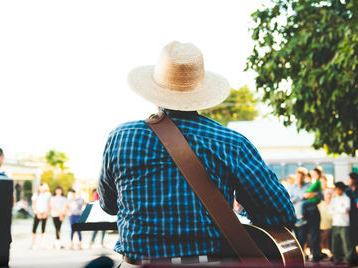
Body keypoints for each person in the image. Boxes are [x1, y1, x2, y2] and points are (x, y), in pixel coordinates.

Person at [97, 41, 296, 267]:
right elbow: (279, 213)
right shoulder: (231, 143)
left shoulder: (120, 137)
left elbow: (108, 204)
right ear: (201, 92)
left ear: (155, 90)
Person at [288, 166, 322, 262]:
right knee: (300, 239)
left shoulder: (310, 185)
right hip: (300, 217)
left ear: (304, 177)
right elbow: (290, 200)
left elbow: (319, 197)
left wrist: (314, 195)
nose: (300, 178)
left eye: (302, 177)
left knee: (314, 236)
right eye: (298, 176)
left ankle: (316, 257)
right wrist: (302, 196)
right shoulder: (291, 188)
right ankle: (300, 257)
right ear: (295, 177)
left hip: (312, 214)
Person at [328, 182, 352, 265]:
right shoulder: (334, 199)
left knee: (346, 243)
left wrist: (336, 210)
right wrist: (339, 209)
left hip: (344, 224)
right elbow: (330, 210)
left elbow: (346, 210)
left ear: (342, 190)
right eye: (336, 189)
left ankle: (348, 259)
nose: (337, 191)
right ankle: (336, 258)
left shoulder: (346, 199)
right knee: (335, 242)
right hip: (335, 223)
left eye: (338, 189)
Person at [31, 183, 51, 249]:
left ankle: (43, 244)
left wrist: (46, 213)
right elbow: (33, 205)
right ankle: (33, 243)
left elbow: (49, 205)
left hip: (45, 213)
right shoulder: (35, 195)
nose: (42, 188)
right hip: (38, 213)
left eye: (43, 187)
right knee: (34, 228)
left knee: (43, 229)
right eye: (41, 187)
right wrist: (37, 213)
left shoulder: (48, 194)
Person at [345, 172, 358, 265]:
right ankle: (353, 258)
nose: (348, 181)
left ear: (355, 180)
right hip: (350, 219)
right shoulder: (347, 191)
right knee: (351, 239)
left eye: (350, 179)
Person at [318, 189, 333, 259]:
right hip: (321, 227)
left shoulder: (334, 204)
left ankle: (331, 254)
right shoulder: (320, 204)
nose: (328, 196)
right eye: (327, 194)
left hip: (332, 227)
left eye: (330, 194)